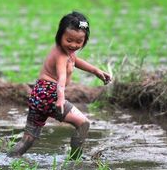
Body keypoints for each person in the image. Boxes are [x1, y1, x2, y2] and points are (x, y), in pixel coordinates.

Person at [8, 11, 111, 159]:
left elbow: (75, 60)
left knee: (28, 139)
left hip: (39, 94)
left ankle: (10, 159)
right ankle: (74, 161)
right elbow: (61, 78)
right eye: (69, 40)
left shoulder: (65, 51)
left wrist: (95, 71)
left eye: (79, 42)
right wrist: (60, 98)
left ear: (85, 40)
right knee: (83, 124)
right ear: (59, 35)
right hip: (51, 94)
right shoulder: (62, 55)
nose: (73, 45)